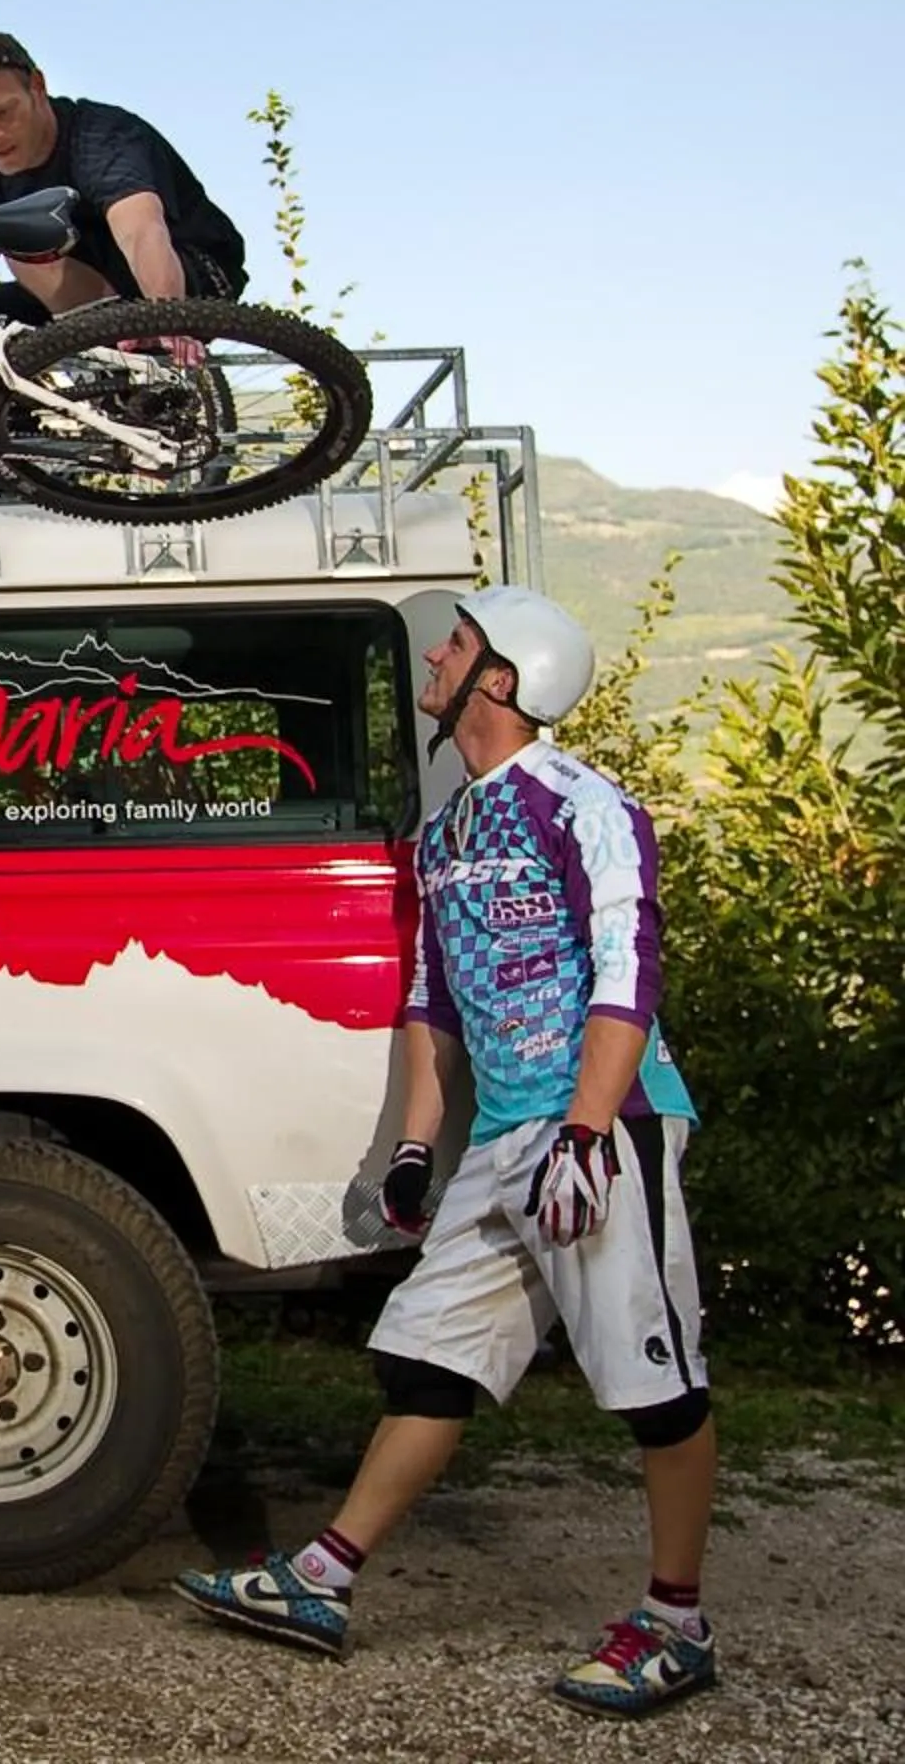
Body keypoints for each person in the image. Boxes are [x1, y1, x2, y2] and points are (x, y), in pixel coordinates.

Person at [175, 586, 721, 1721]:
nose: (438, 651)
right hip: (505, 1137)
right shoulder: (448, 827)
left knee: (653, 1377)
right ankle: (321, 1579)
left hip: (600, 1126)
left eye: (460, 642)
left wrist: (586, 1125)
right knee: (429, 1360)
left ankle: (678, 1621)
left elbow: (629, 967)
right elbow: (434, 998)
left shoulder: (584, 803)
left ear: (504, 680)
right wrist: (419, 1144)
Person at [0, 31, 247, 328]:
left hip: (185, 265)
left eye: (2, 114)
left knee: (24, 249)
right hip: (85, 283)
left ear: (37, 86)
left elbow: (140, 232)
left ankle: (117, 349)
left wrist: (167, 318)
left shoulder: (101, 137)